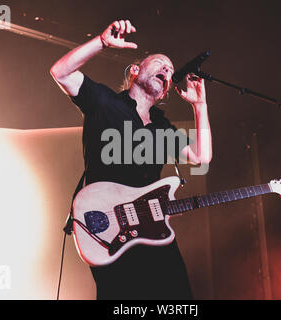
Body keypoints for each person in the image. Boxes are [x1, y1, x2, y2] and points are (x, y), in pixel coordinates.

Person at [50, 19, 212, 300]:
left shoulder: (162, 128)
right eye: (160, 63)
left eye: (170, 69)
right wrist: (101, 42)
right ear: (135, 71)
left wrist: (200, 106)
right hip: (108, 227)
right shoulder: (105, 103)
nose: (167, 69)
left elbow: (202, 156)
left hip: (152, 230)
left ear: (164, 91)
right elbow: (60, 72)